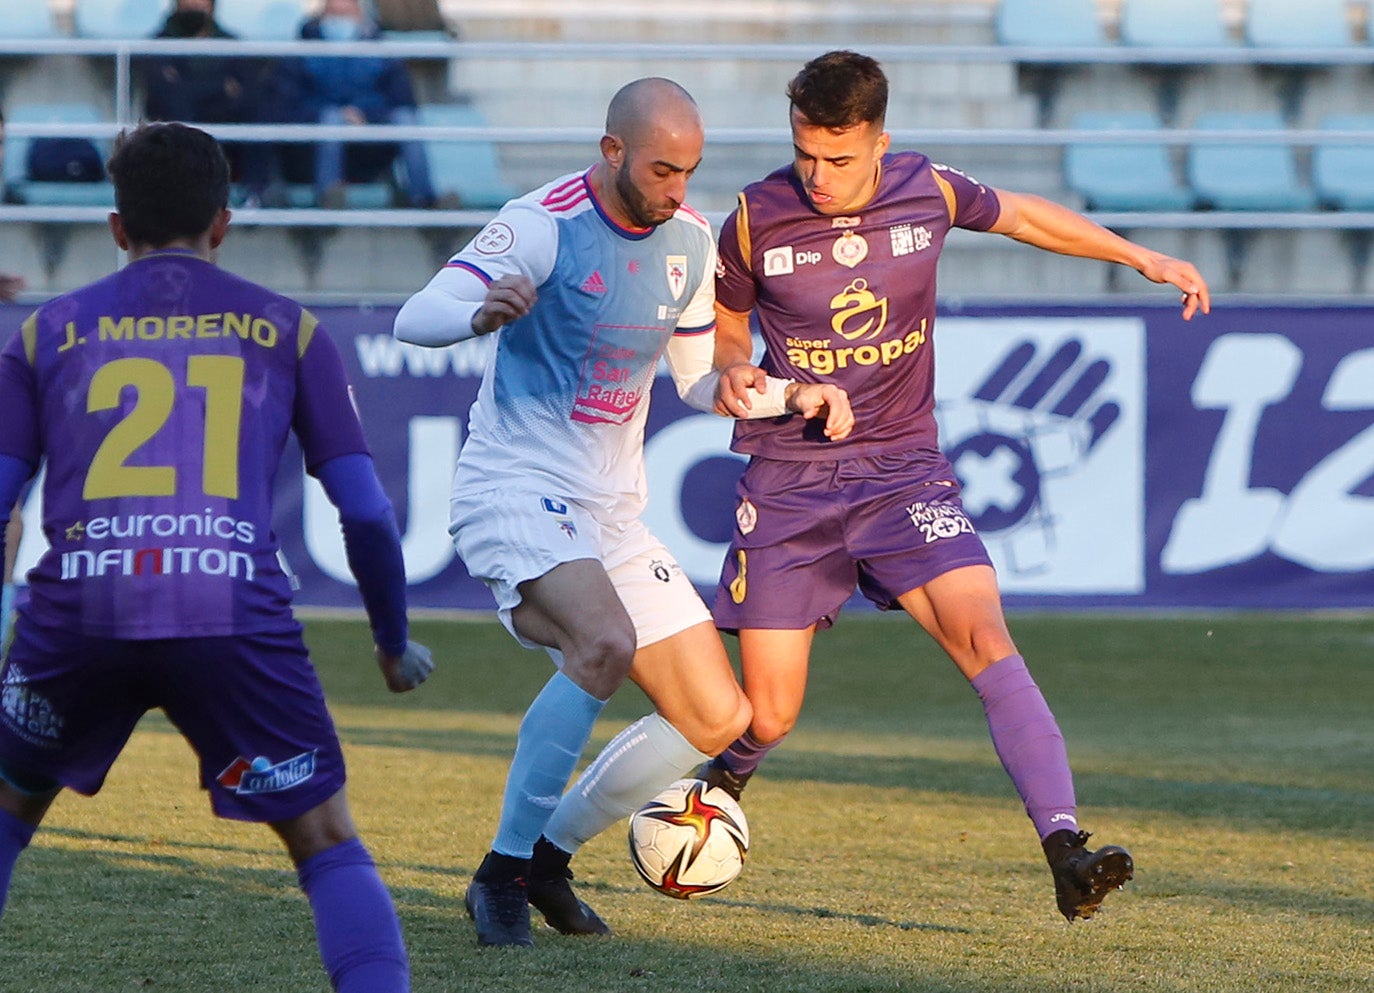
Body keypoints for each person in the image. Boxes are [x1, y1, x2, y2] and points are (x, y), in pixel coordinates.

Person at [701, 50, 1212, 924]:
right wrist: (752, 379)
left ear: (880, 141)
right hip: (791, 480)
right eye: (804, 155)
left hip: (903, 468)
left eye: (840, 158)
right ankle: (717, 787)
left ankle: (1066, 849)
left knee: (983, 630)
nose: (818, 177)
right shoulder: (753, 219)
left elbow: (1026, 218)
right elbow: (723, 345)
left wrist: (1138, 256)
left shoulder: (927, 189)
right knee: (769, 715)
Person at [394, 77, 850, 947]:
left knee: (721, 717)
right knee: (600, 643)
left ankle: (550, 859)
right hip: (514, 487)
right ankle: (502, 870)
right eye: (664, 170)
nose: (681, 189)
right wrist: (476, 314)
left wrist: (780, 394)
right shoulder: (542, 222)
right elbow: (420, 313)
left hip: (610, 512)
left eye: (692, 171)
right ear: (612, 153)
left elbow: (694, 377)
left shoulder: (687, 242)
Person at [0, 122, 436, 992]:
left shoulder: (43, 335)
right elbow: (367, 512)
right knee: (325, 843)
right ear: (225, 221)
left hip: (78, 613)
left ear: (117, 227)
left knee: (7, 812)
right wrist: (391, 640)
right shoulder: (290, 331)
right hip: (228, 613)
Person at [277, 0, 442, 209]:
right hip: (312, 151)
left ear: (360, 16)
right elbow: (286, 107)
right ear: (322, 16)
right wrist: (337, 114)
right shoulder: (301, 54)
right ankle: (328, 199)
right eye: (334, 14)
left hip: (369, 149)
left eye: (346, 14)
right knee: (331, 119)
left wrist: (367, 115)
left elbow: (403, 102)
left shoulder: (383, 54)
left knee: (406, 119)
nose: (339, 21)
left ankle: (425, 201)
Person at [141, 0, 273, 201]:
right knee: (177, 112)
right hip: (178, 127)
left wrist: (191, 86)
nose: (193, 5)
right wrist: (221, 87)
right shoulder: (158, 45)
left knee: (257, 112)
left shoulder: (231, 45)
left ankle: (254, 195)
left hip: (224, 124)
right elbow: (164, 94)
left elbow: (248, 92)